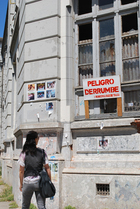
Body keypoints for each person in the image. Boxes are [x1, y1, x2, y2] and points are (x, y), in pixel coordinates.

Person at [18, 131, 51, 209]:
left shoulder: (24, 153)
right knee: (41, 206)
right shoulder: (42, 152)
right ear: (35, 139)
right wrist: (49, 181)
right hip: (39, 182)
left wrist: (21, 184)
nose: (38, 139)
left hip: (27, 182)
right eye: (38, 138)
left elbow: (21, 171)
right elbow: (47, 168)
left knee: (25, 206)